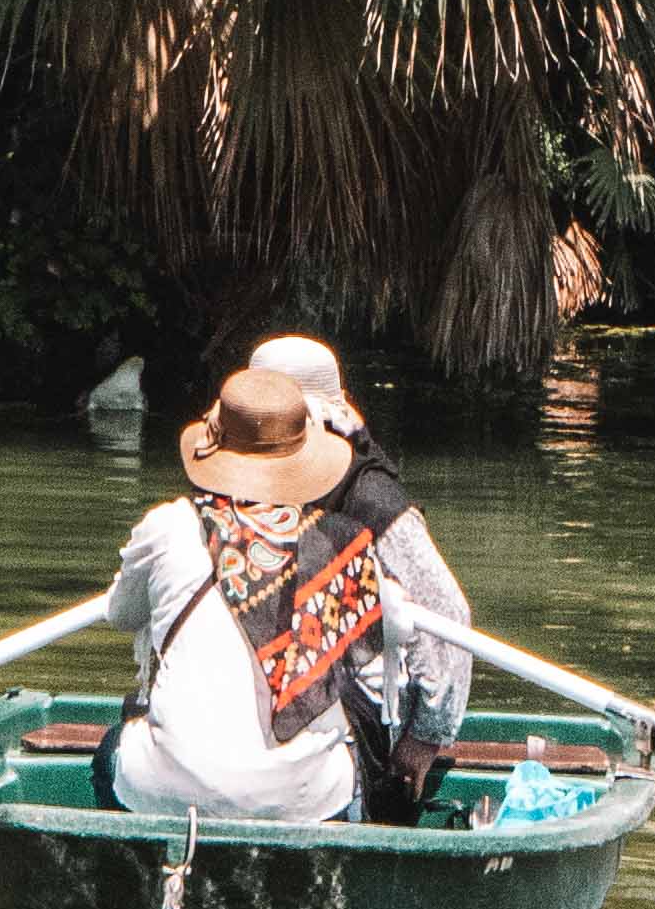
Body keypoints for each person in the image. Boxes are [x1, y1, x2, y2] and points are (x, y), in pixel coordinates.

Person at [99, 339, 472, 827]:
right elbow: (396, 620)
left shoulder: (371, 502)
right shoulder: (342, 543)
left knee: (120, 740)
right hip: (308, 791)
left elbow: (446, 615)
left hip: (338, 713)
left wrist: (424, 739)